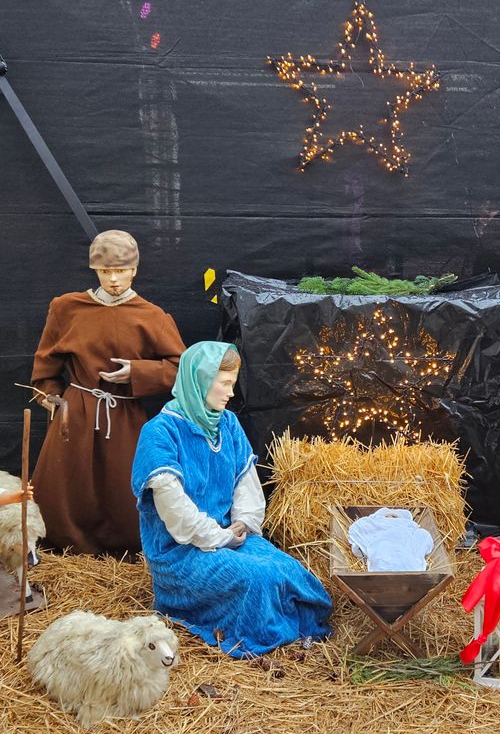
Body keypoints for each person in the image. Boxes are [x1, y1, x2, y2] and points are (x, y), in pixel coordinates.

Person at [131, 341, 333, 657]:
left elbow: (245, 481)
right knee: (258, 579)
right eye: (224, 383)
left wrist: (243, 522)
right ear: (199, 379)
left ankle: (290, 627)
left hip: (231, 533)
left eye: (233, 384)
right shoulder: (160, 433)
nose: (230, 393)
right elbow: (175, 510)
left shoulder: (227, 423)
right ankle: (267, 631)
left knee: (291, 571)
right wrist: (220, 536)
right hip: (182, 551)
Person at [30, 230, 186, 556]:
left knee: (124, 492)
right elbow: (44, 371)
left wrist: (138, 372)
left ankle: (126, 551)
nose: (114, 280)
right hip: (76, 414)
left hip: (125, 416)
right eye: (105, 271)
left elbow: (179, 369)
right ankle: (64, 547)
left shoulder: (152, 316)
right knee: (68, 491)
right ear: (95, 270)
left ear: (135, 270)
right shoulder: (66, 308)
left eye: (121, 270)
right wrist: (54, 400)